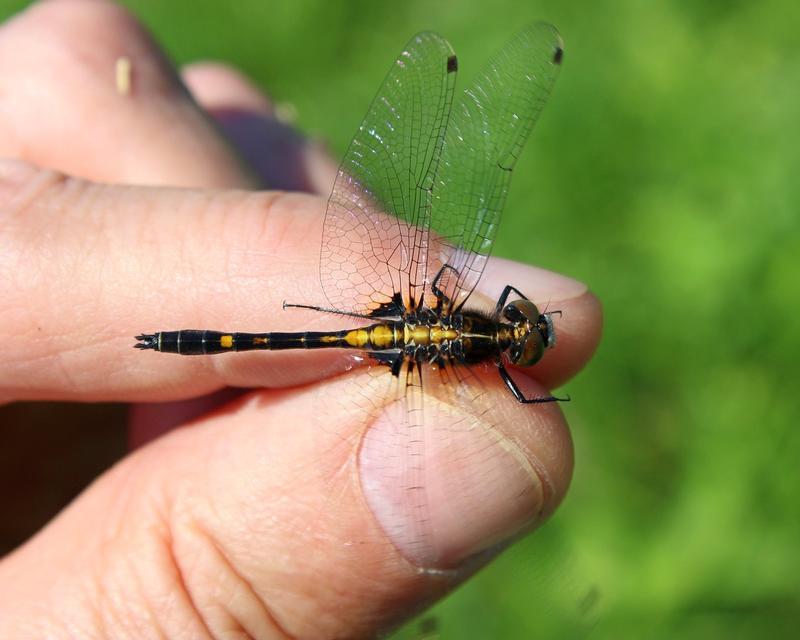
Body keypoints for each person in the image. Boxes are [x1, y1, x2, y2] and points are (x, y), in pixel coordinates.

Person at [0, 1, 602, 637]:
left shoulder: (460, 317)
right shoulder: (483, 359)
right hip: (393, 337)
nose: (520, 325)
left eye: (521, 334)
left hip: (393, 330)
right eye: (522, 326)